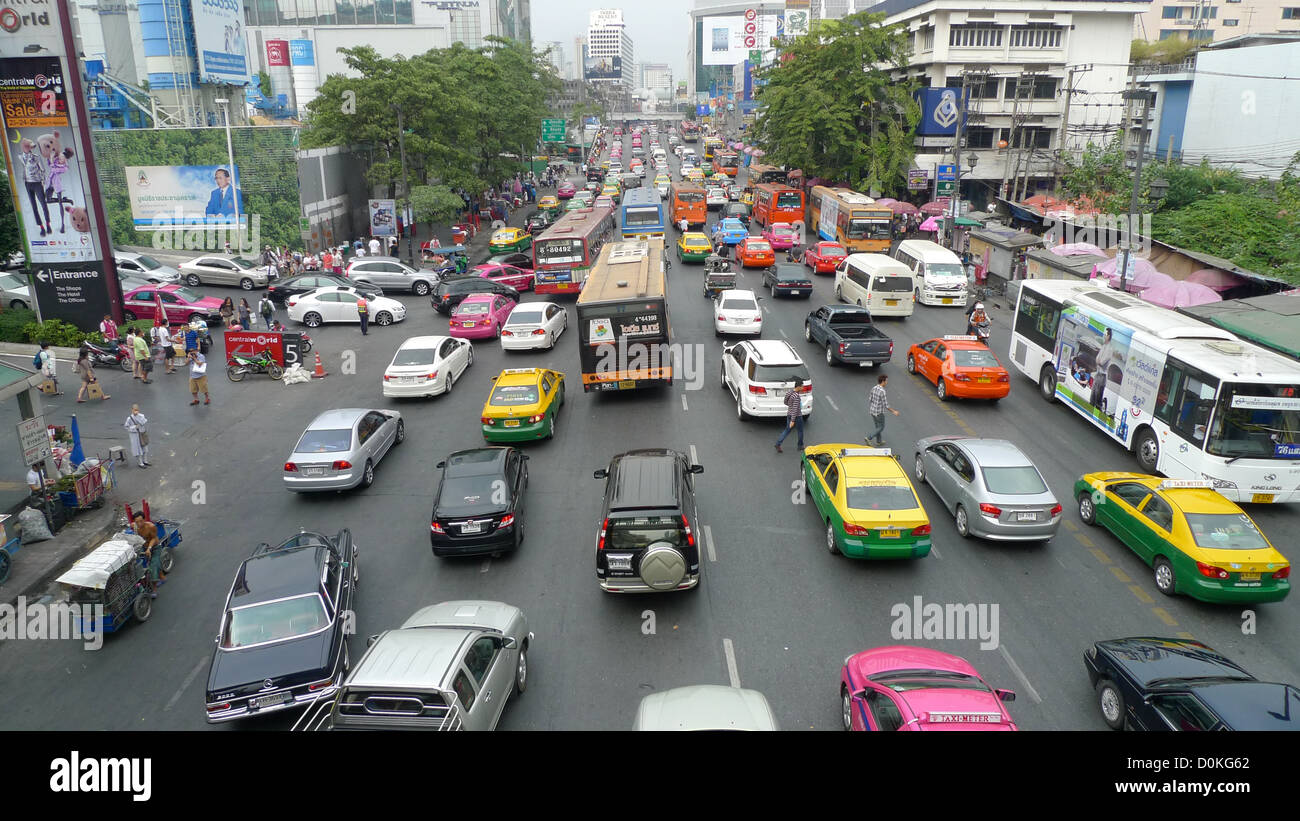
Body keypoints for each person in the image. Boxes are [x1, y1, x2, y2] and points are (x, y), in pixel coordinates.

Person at [133, 512, 162, 596]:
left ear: (144, 520)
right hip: (144, 548)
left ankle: (154, 590)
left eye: (141, 521)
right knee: (138, 566)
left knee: (153, 567)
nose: (139, 524)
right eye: (137, 522)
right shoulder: (135, 527)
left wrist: (149, 548)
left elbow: (154, 538)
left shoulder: (151, 527)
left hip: (155, 547)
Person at [866, 374, 900, 447]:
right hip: (879, 413)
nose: (887, 382)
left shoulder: (874, 388)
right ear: (883, 381)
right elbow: (886, 405)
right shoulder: (882, 391)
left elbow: (870, 399)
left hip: (872, 411)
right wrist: (894, 411)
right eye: (886, 381)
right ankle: (869, 438)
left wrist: (874, 405)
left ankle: (879, 441)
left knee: (877, 427)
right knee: (881, 427)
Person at [774, 378, 806, 454]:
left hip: (789, 414)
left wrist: (790, 405)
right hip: (797, 416)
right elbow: (795, 410)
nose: (803, 387)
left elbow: (785, 402)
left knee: (787, 430)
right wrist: (793, 420)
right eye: (802, 386)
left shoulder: (789, 392)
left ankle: (778, 444)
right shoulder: (796, 396)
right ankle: (800, 445)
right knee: (800, 430)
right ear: (798, 386)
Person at [1091, 327, 1115, 413]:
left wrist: (1099, 361)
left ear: (1108, 336)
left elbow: (1101, 362)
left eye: (1105, 335)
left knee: (1098, 399)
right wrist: (1098, 361)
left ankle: (1097, 415)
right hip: (1098, 374)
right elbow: (1097, 358)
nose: (1104, 336)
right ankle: (1090, 411)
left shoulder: (1110, 349)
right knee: (1092, 397)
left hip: (1102, 376)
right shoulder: (1104, 346)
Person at [124, 404, 150, 468]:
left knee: (145, 448)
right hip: (135, 436)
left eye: (137, 410)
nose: (136, 411)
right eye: (135, 410)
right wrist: (134, 427)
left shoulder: (141, 416)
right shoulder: (129, 418)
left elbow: (144, 422)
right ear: (132, 410)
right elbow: (126, 427)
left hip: (142, 434)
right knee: (138, 450)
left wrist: (139, 420)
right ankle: (140, 463)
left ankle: (145, 461)